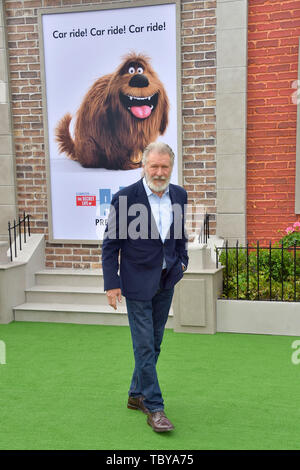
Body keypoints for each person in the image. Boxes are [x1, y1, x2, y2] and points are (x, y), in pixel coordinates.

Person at [101, 142, 188, 432]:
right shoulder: (125, 198)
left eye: (165, 167)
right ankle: (155, 407)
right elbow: (110, 245)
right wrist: (112, 284)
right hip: (136, 283)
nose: (160, 172)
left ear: (171, 167)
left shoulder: (179, 195)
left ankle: (135, 395)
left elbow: (179, 236)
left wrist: (182, 263)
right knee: (144, 346)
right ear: (144, 166)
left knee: (155, 343)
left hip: (166, 281)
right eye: (155, 166)